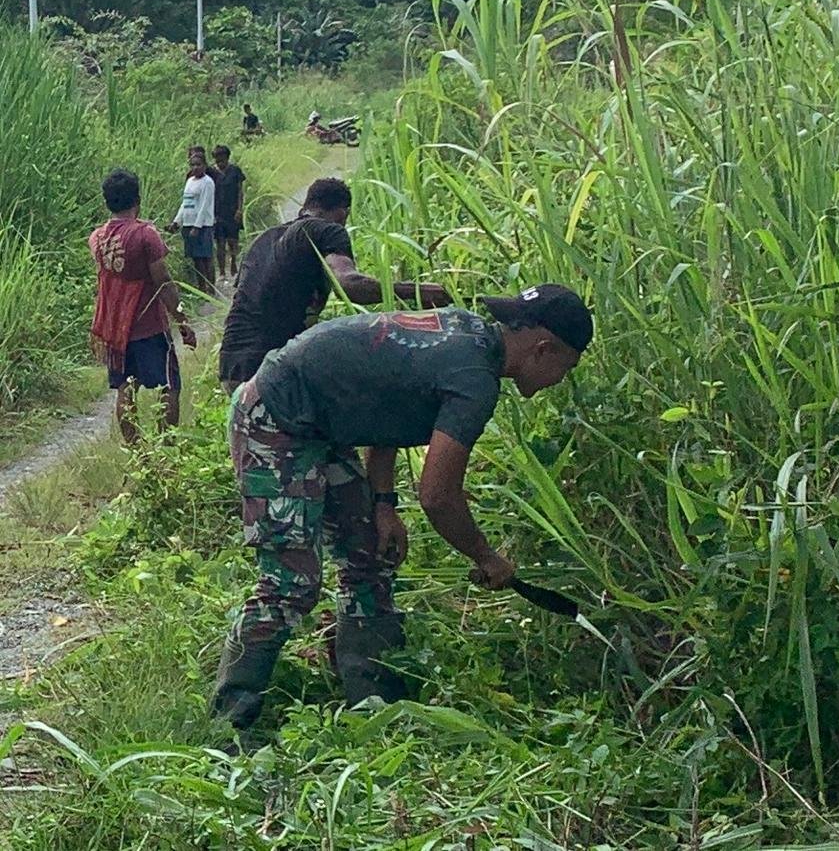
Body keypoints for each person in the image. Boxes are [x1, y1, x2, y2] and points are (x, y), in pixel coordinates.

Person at [213, 284, 593, 728]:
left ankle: (375, 707)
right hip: (274, 417)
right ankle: (230, 722)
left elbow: (386, 400)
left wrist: (383, 504)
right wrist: (485, 556)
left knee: (371, 555)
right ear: (543, 350)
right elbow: (438, 495)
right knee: (291, 583)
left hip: (319, 423)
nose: (558, 381)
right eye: (566, 369)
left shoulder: (467, 334)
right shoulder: (474, 380)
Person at [219, 177, 451, 393]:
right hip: (271, 371)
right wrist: (417, 291)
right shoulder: (326, 230)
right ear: (343, 212)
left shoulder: (262, 240)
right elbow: (349, 286)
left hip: (232, 369)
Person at [89, 169, 197, 444]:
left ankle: (137, 452)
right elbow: (164, 282)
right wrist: (182, 320)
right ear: (138, 198)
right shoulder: (145, 235)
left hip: (116, 330)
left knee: (125, 388)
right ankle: (166, 446)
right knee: (169, 385)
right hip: (149, 327)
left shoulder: (97, 238)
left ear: (107, 202)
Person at [169, 151, 217, 295]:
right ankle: (201, 287)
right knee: (196, 258)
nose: (195, 167)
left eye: (198, 164)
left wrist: (197, 226)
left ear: (205, 165)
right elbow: (185, 203)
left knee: (206, 257)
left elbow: (204, 206)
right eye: (193, 165)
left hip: (203, 225)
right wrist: (176, 222)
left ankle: (211, 287)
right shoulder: (190, 181)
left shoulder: (208, 182)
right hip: (188, 223)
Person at [212, 144, 246, 281]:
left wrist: (240, 209)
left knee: (233, 240)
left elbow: (240, 191)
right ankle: (221, 271)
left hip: (232, 211)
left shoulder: (235, 171)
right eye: (217, 160)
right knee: (220, 242)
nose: (220, 163)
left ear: (227, 158)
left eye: (223, 159)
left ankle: (233, 262)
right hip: (217, 212)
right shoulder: (212, 173)